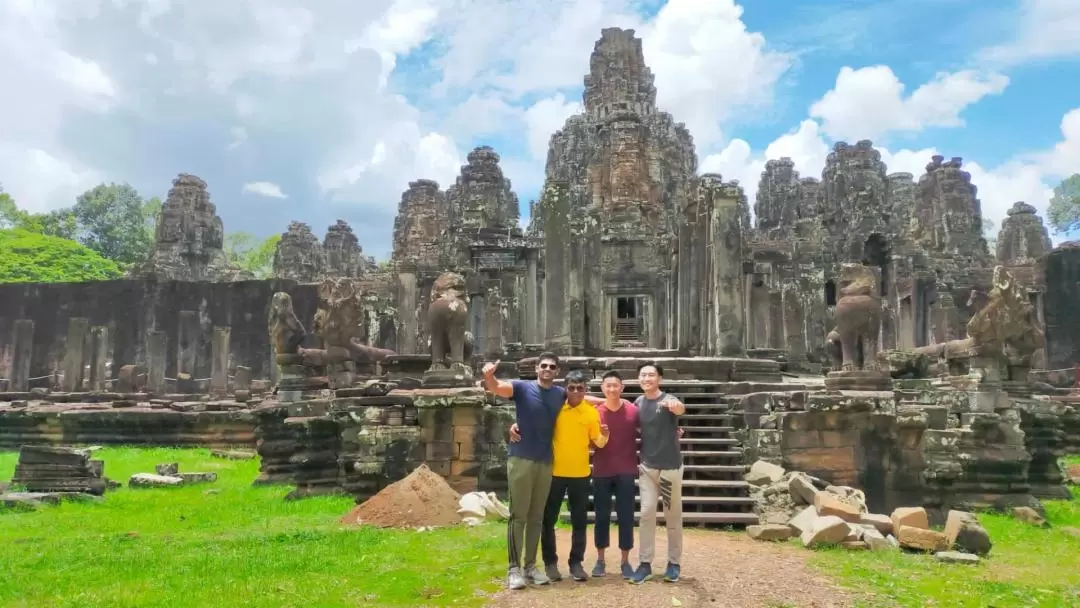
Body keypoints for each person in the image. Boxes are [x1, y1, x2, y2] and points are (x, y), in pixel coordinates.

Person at [482, 353, 565, 590]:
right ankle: (513, 569)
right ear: (537, 368)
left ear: (557, 371)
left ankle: (530, 566)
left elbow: (582, 398)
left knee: (536, 516)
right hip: (521, 458)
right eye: (544, 366)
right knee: (518, 515)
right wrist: (489, 376)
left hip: (545, 461)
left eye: (552, 366)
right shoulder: (522, 387)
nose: (547, 369)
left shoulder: (560, 394)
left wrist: (610, 396)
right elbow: (497, 388)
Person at [539, 369, 607, 583]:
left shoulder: (591, 413)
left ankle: (576, 563)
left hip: (580, 474)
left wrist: (605, 436)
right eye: (571, 388)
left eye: (580, 388)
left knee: (579, 520)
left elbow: (598, 441)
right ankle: (550, 563)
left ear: (585, 390)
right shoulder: (556, 407)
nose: (576, 392)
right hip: (555, 472)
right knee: (548, 520)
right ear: (565, 389)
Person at [629, 361, 686, 585]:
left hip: (670, 468)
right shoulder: (638, 402)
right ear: (638, 379)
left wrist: (676, 407)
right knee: (646, 514)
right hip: (647, 468)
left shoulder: (668, 400)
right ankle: (645, 564)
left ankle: (674, 563)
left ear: (659, 379)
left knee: (672, 516)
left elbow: (680, 408)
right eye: (643, 375)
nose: (646, 379)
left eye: (651, 375)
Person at [589, 370, 639, 580]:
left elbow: (650, 430)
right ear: (602, 388)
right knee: (601, 516)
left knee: (626, 516)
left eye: (615, 385)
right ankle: (600, 559)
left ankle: (625, 560)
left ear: (622, 388)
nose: (611, 389)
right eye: (607, 385)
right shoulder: (595, 412)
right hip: (601, 470)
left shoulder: (633, 411)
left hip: (626, 470)